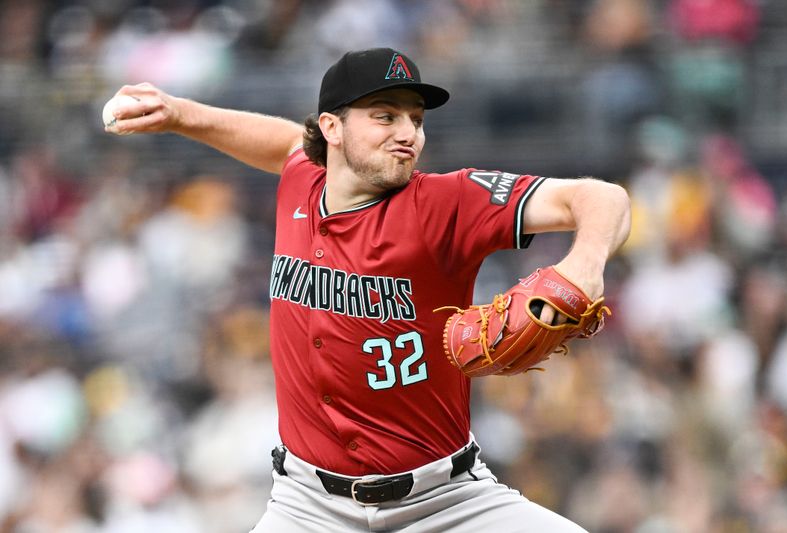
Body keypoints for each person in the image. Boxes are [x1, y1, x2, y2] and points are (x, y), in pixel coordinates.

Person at [106, 47, 631, 532]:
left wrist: (584, 266)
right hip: (306, 506)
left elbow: (602, 198)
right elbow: (284, 143)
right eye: (385, 116)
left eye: (416, 119)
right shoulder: (302, 181)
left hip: (446, 502)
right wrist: (178, 114)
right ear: (332, 128)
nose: (409, 133)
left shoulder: (445, 203)